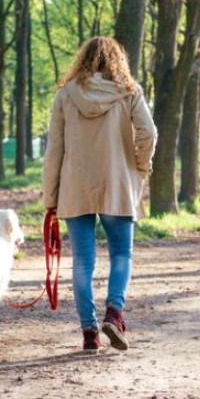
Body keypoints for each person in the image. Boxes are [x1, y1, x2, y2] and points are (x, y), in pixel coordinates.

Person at [42, 36, 158, 351]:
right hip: (118, 184)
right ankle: (114, 312)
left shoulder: (66, 95)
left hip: (75, 186)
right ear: (117, 60)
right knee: (121, 254)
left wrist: (49, 198)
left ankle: (90, 332)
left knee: (82, 261)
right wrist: (140, 167)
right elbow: (149, 132)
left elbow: (54, 149)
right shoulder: (129, 92)